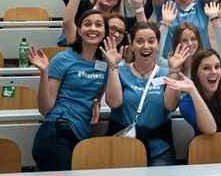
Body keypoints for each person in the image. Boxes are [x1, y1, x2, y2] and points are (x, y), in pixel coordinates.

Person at [29, 10, 110, 171]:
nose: (93, 28)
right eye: (87, 24)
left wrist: (96, 103)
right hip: (56, 131)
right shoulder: (63, 59)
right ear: (79, 31)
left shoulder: (105, 64)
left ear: (105, 32)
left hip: (80, 134)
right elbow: (45, 108)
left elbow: (95, 94)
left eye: (98, 25)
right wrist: (44, 73)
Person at [104, 22, 190, 165]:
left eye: (151, 41)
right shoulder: (120, 72)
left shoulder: (166, 74)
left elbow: (170, 106)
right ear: (131, 45)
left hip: (159, 149)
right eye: (139, 41)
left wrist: (174, 71)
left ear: (157, 45)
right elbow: (114, 102)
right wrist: (113, 67)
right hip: (123, 146)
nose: (145, 46)